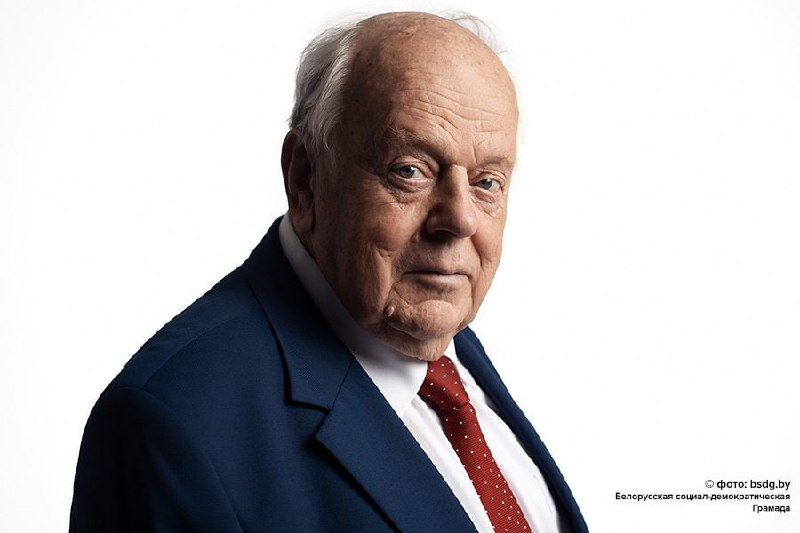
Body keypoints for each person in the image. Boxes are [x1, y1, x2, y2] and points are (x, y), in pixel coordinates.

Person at [70, 11, 588, 533]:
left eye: (487, 182)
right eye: (410, 171)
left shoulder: (435, 339)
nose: (460, 219)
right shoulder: (173, 424)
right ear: (305, 179)